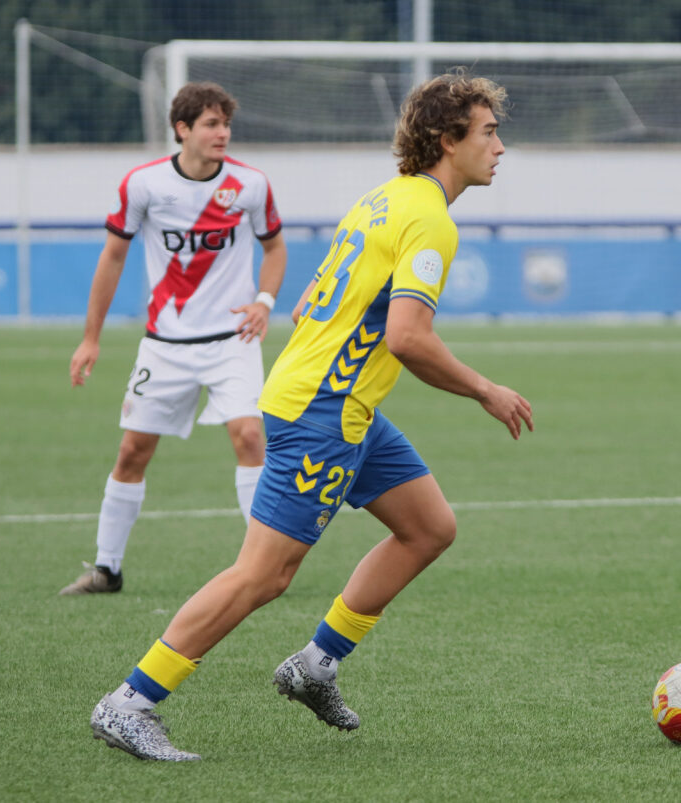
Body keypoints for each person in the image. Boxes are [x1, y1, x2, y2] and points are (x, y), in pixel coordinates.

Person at [88, 69, 533, 761]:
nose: (501, 146)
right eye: (489, 132)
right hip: (323, 407)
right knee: (263, 574)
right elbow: (408, 337)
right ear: (448, 140)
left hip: (340, 401)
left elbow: (310, 302)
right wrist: (485, 389)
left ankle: (316, 664)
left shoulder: (383, 200)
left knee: (428, 527)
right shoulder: (430, 221)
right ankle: (131, 701)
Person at [59, 82, 287, 596]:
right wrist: (90, 339)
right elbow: (112, 258)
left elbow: (275, 250)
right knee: (133, 451)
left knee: (250, 437)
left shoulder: (251, 185)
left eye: (226, 123)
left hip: (233, 340)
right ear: (182, 129)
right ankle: (106, 569)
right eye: (210, 124)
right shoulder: (143, 185)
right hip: (164, 346)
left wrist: (264, 302)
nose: (222, 133)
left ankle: (263, 568)